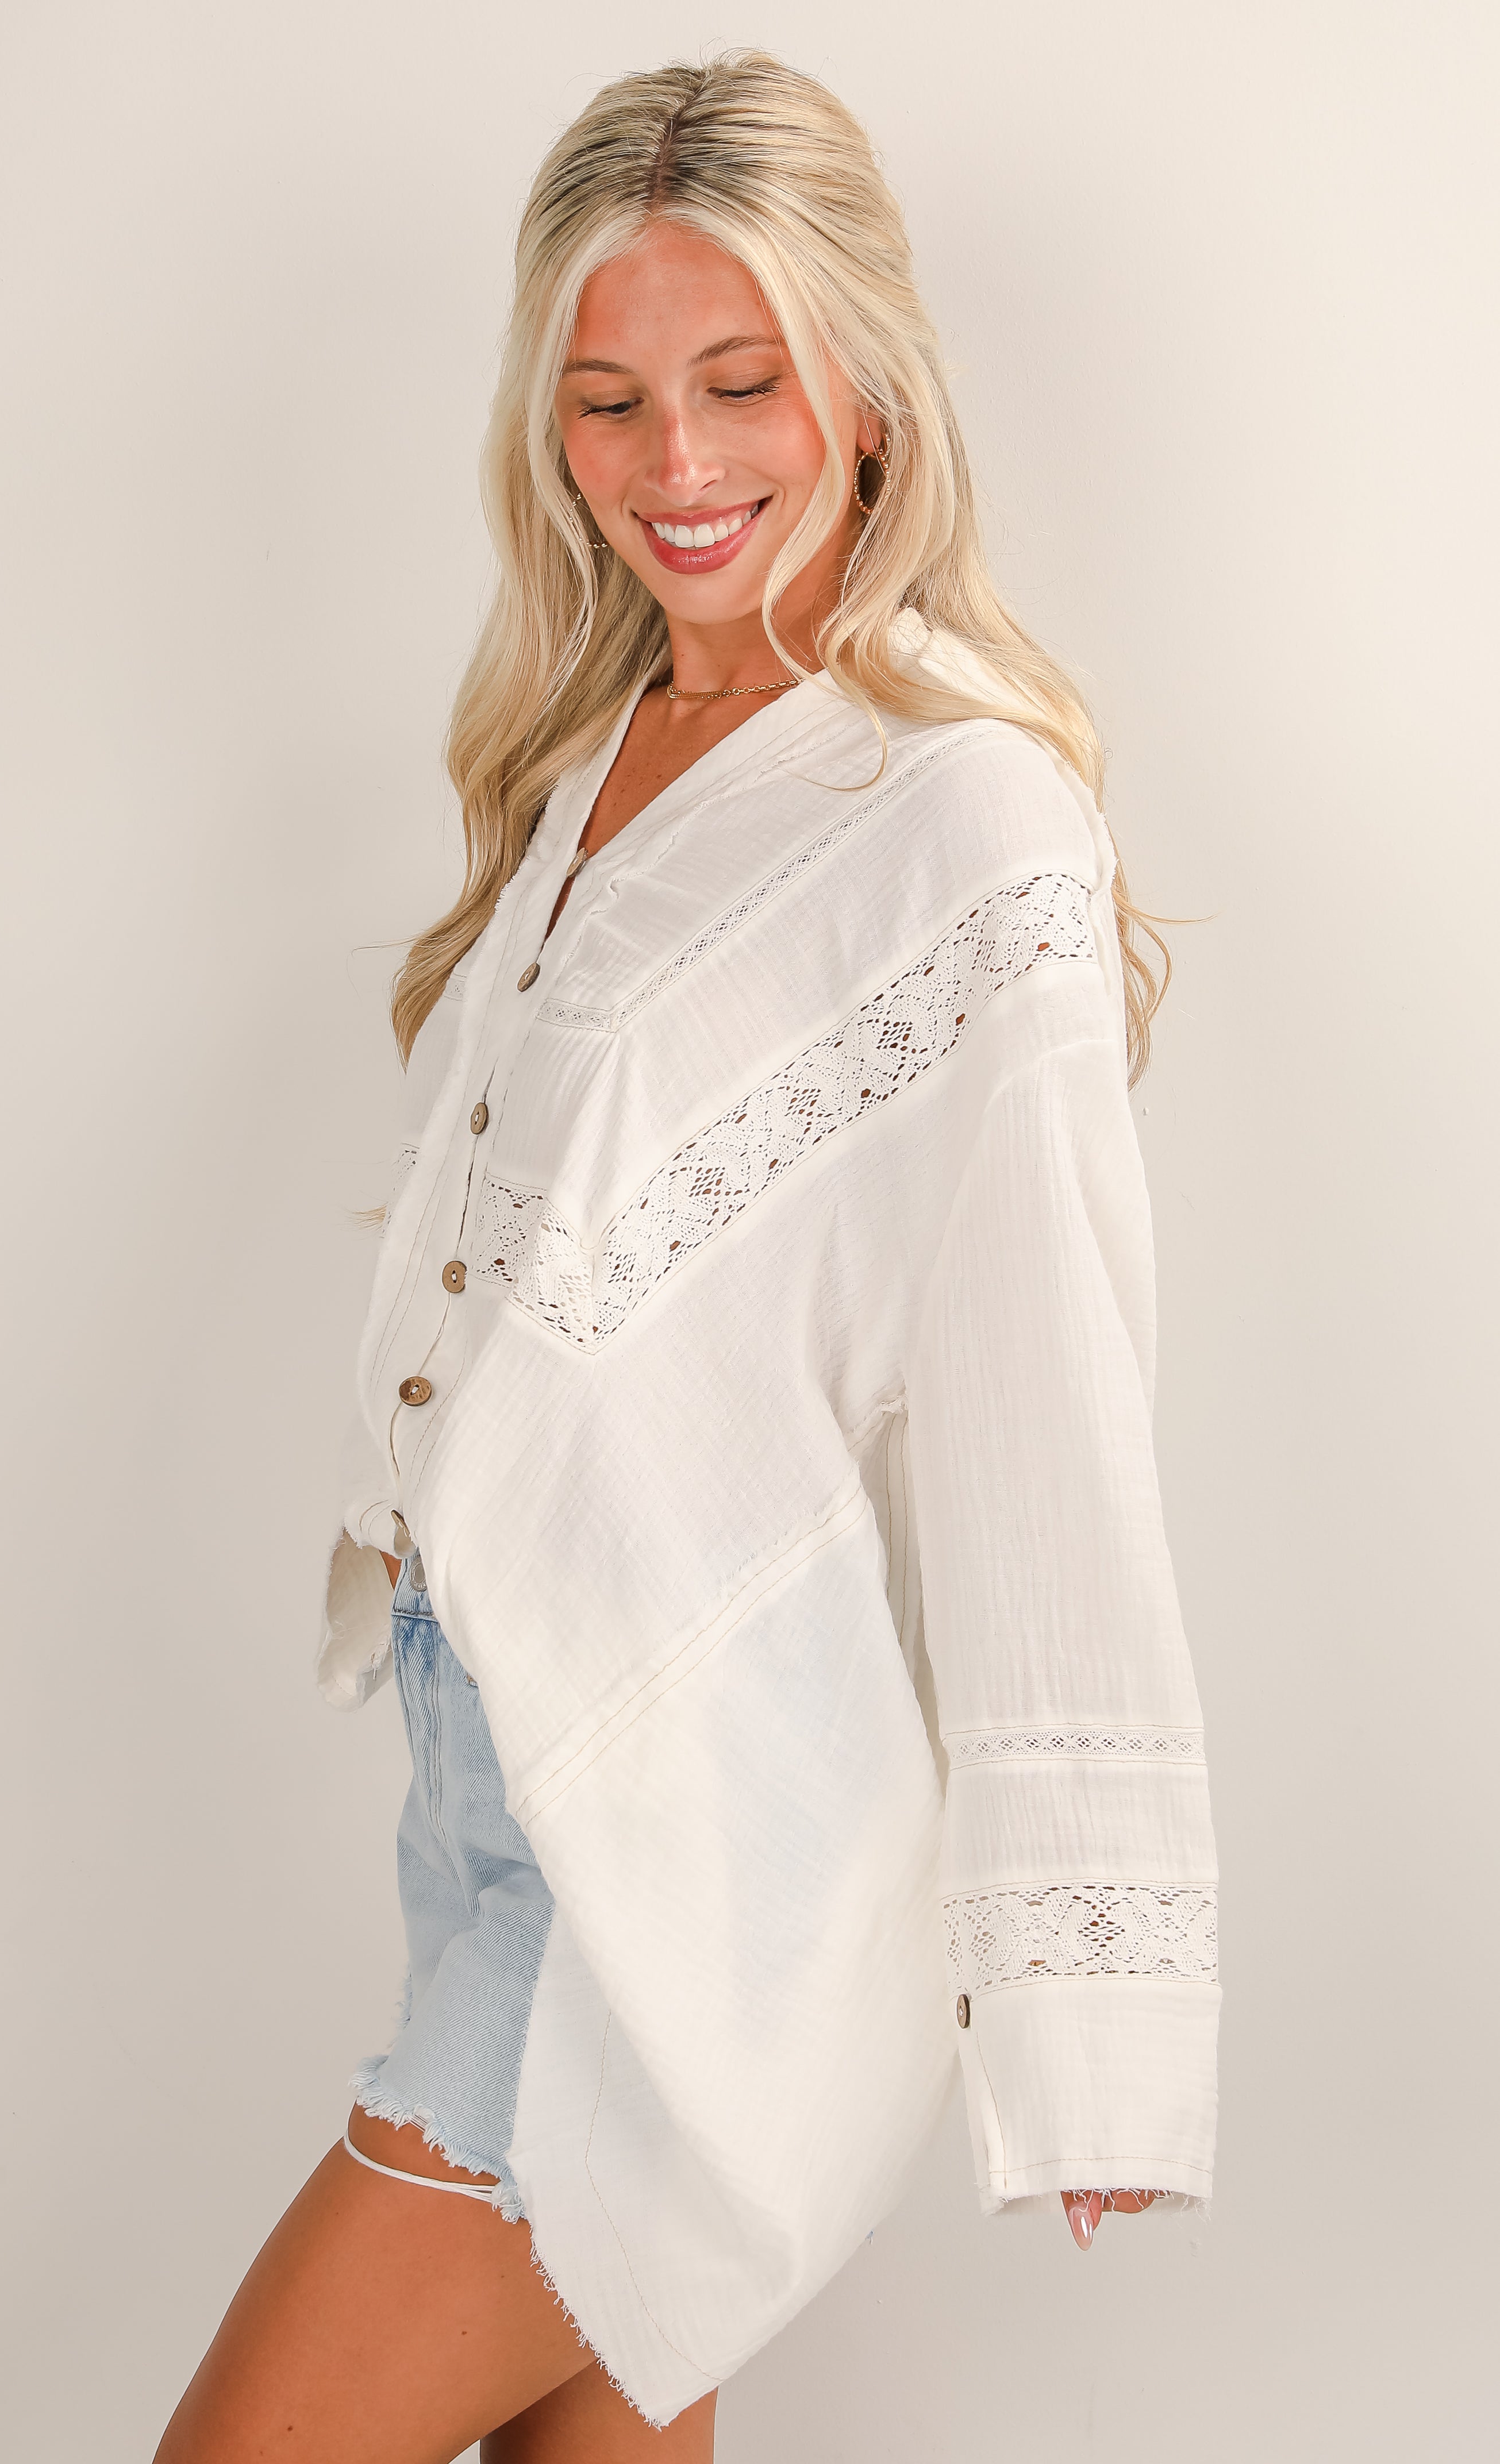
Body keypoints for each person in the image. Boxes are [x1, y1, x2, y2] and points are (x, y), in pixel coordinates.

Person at [155, 48, 1218, 2464]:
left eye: (738, 382)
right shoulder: (595, 754)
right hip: (494, 1794)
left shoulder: (955, 810)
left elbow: (1048, 1404)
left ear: (866, 383)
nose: (674, 465)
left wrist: (1092, 1999)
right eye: (608, 398)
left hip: (677, 1864)